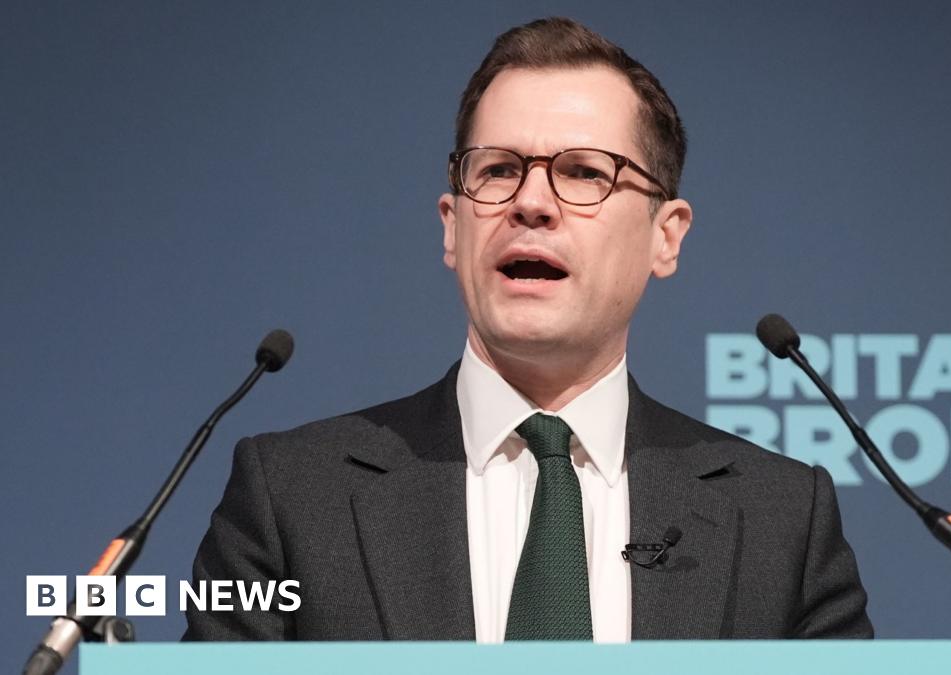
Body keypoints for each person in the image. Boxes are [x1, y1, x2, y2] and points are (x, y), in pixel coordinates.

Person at [184, 16, 872, 643]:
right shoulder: (293, 497)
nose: (531, 202)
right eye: (499, 170)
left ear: (667, 237)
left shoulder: (784, 519)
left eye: (582, 173)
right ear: (453, 226)